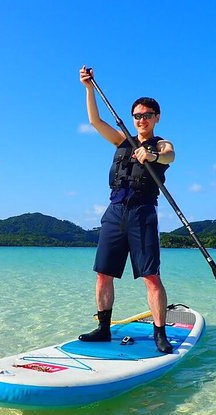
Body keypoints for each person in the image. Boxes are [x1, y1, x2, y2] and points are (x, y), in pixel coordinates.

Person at [78, 65, 175, 354]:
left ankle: (160, 333)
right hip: (115, 212)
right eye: (137, 116)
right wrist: (89, 89)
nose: (141, 119)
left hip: (142, 213)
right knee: (103, 274)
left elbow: (170, 156)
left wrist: (152, 154)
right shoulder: (122, 141)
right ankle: (103, 327)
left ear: (156, 117)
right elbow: (95, 121)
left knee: (151, 277)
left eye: (147, 115)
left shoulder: (161, 143)